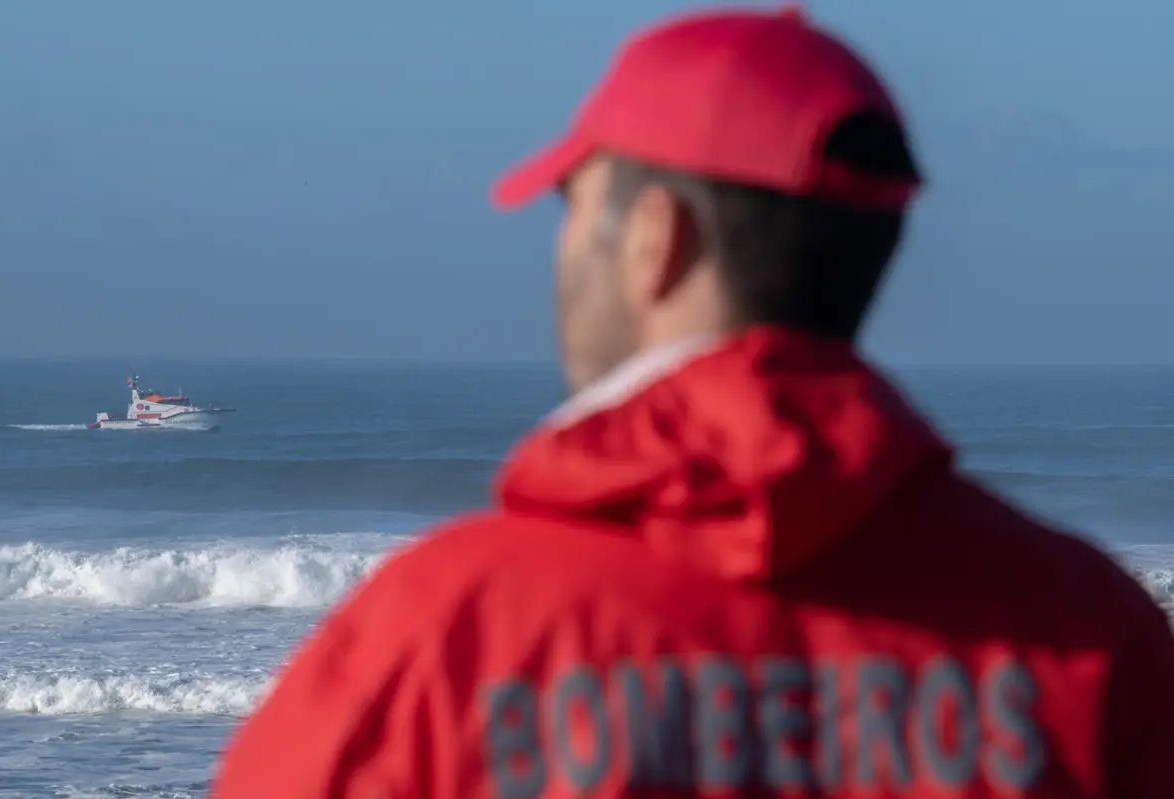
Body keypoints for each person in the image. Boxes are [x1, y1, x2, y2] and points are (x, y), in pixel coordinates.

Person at [210, 6, 1174, 798]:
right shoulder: (1090, 633)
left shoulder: (440, 639)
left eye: (576, 205)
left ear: (655, 240)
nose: (561, 251)